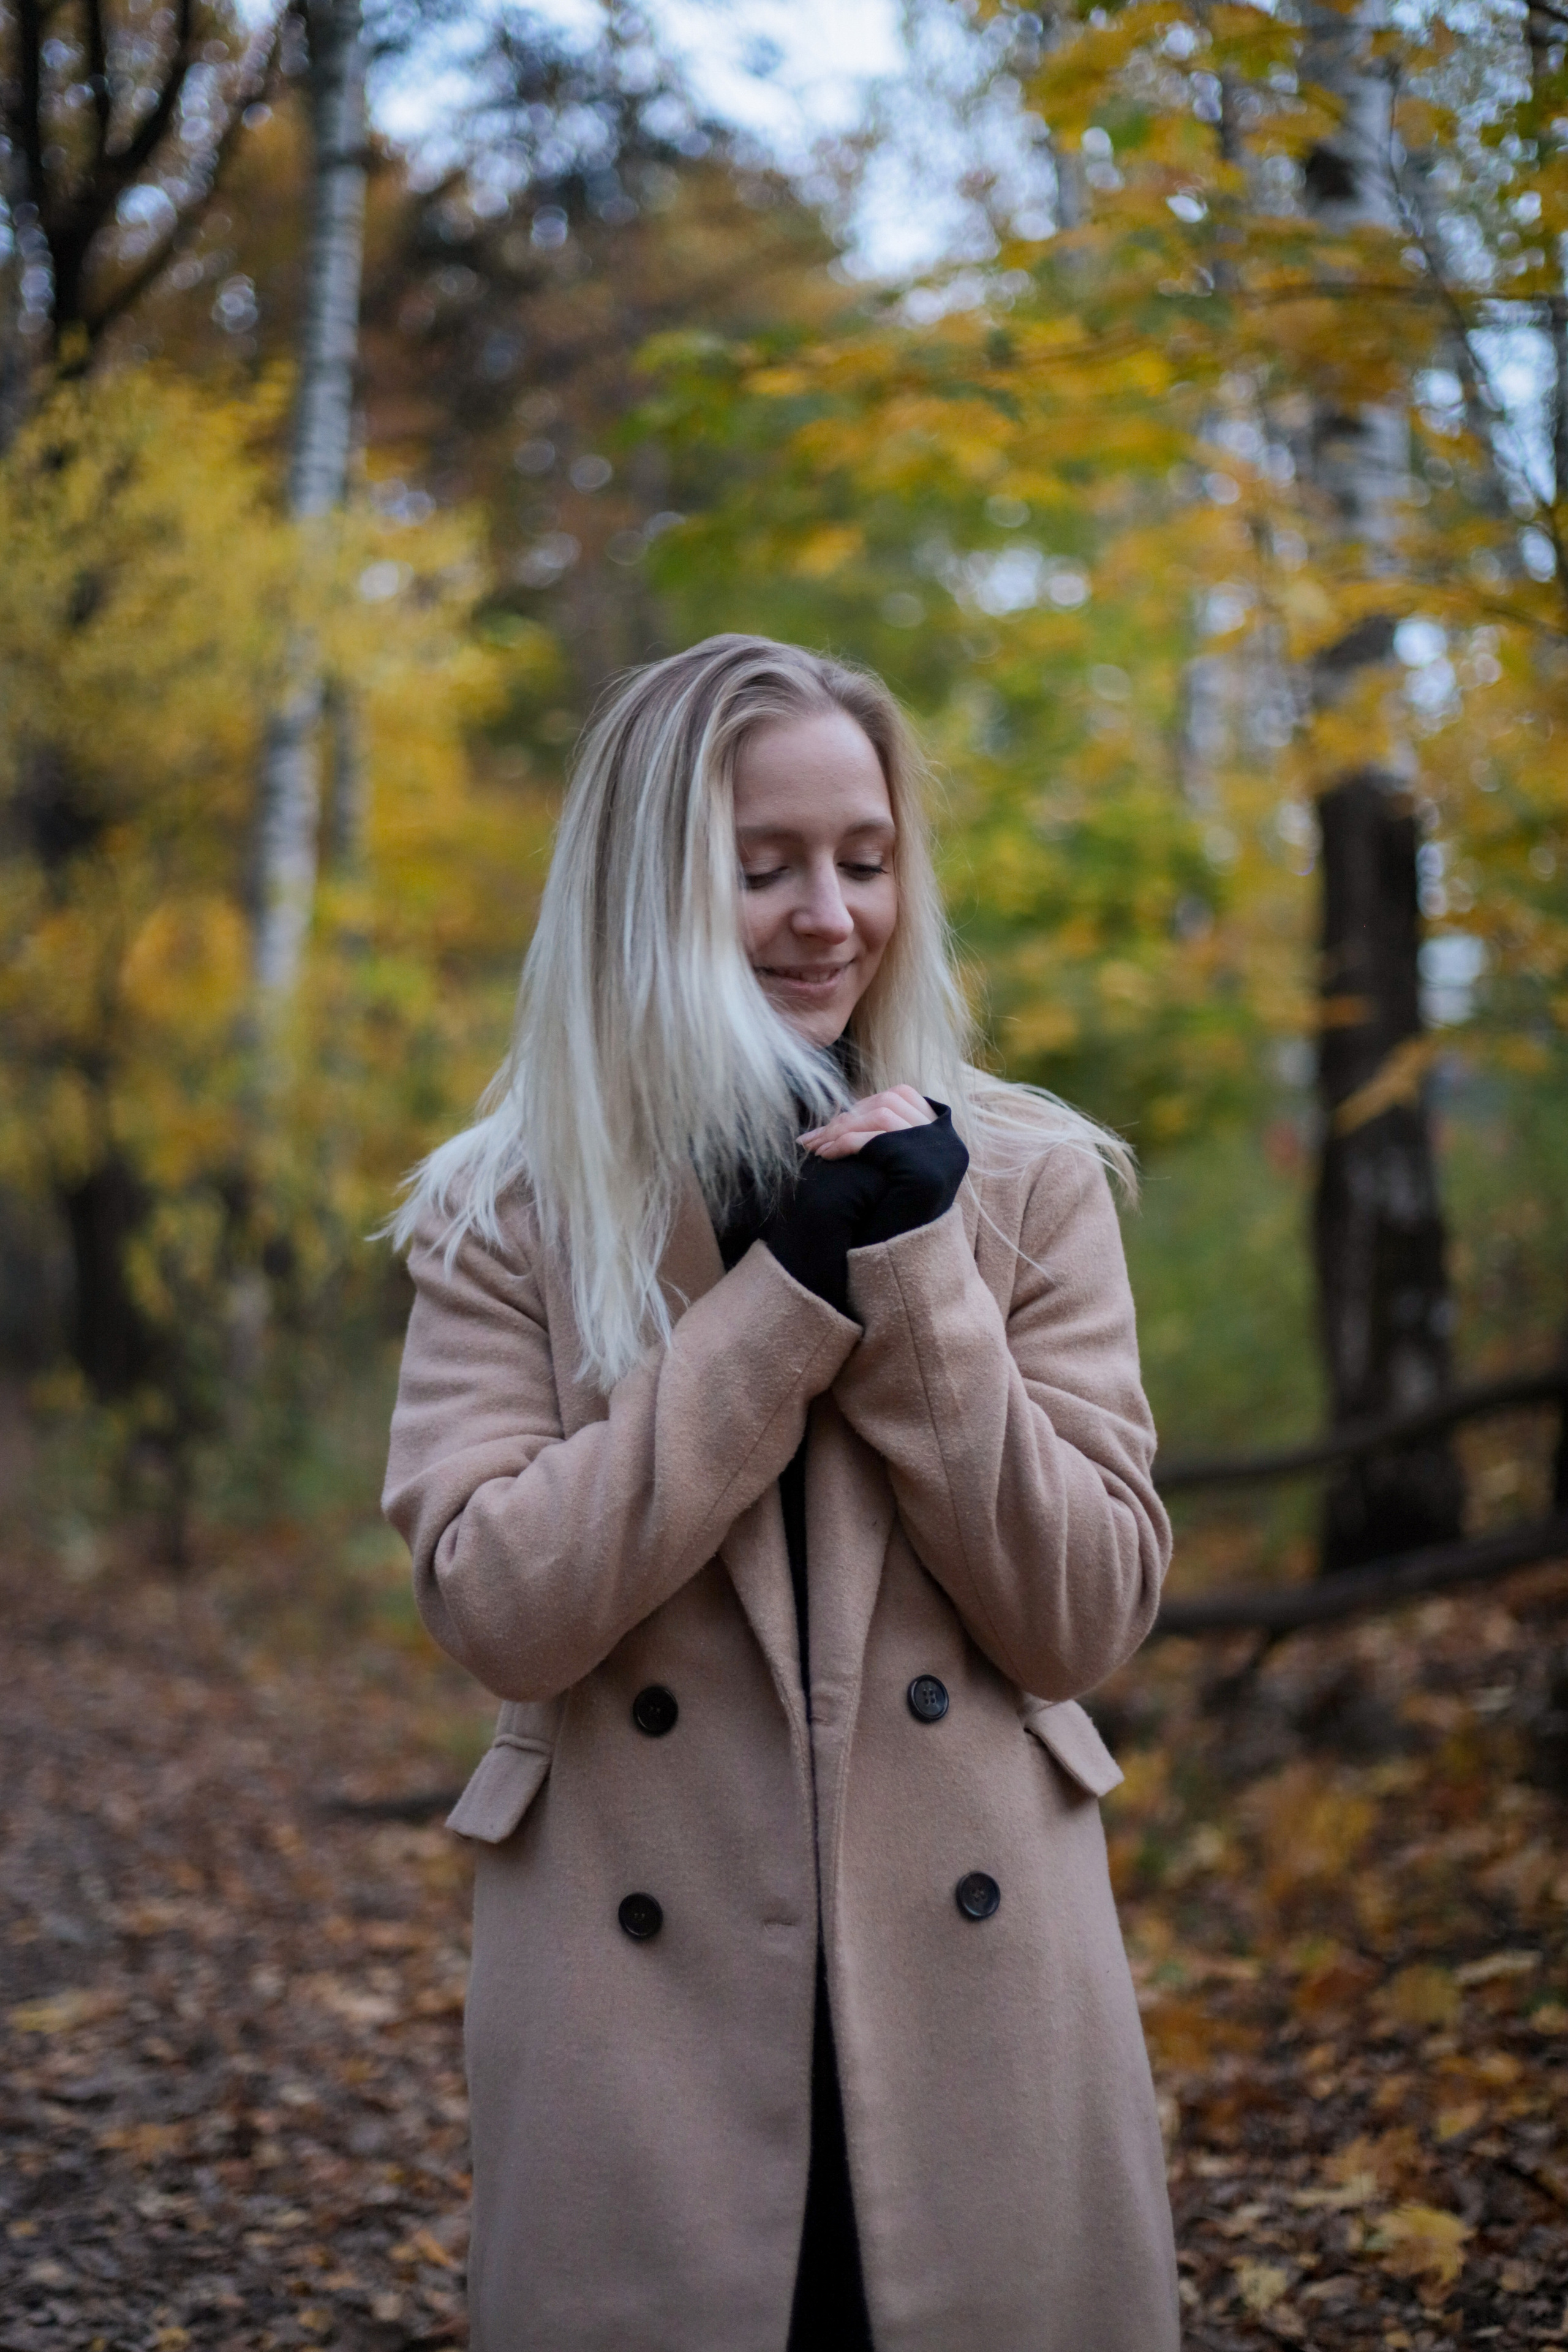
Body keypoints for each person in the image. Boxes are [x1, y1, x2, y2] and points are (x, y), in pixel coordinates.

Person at [382, 634, 1179, 2352]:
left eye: (865, 859)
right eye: (765, 868)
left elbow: (1087, 1612)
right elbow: (502, 1608)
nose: (831, 913)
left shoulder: (1026, 1183)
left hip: (979, 1996)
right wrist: (778, 1305)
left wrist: (917, 1288)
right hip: (637, 2013)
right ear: (647, 891)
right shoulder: (511, 1211)